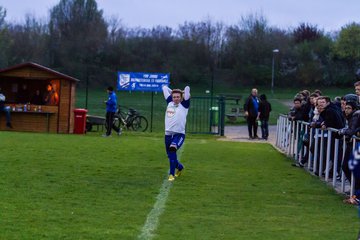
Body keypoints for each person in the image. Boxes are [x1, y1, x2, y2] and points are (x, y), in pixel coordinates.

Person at [162, 85, 190, 181]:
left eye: (178, 97)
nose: (176, 98)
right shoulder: (169, 103)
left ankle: (171, 174)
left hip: (179, 134)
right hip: (168, 134)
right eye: (174, 97)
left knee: (172, 149)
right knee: (170, 155)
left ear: (181, 97)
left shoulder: (185, 105)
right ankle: (180, 167)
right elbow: (164, 87)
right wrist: (173, 91)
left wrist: (181, 92)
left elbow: (187, 88)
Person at [337, 101, 360, 204]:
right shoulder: (350, 116)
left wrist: (343, 131)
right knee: (346, 167)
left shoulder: (355, 116)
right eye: (345, 108)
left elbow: (351, 131)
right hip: (351, 144)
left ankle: (355, 194)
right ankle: (354, 193)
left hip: (355, 145)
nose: (346, 110)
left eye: (348, 108)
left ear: (354, 109)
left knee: (351, 168)